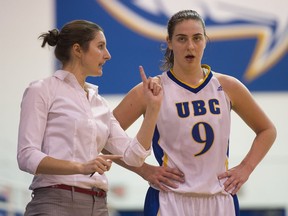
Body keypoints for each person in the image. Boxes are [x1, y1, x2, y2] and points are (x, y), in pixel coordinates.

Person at [112, 10, 277, 216]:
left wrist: (246, 168)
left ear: (205, 41)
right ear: (169, 42)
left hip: (219, 198)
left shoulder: (227, 86)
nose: (190, 46)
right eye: (182, 39)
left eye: (197, 38)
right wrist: (144, 170)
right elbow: (104, 138)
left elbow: (267, 130)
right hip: (170, 199)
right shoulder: (151, 89)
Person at [17, 20, 162, 216]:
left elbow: (134, 157)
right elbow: (27, 156)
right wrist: (80, 166)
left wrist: (152, 108)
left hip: (99, 205)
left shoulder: (99, 103)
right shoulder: (42, 90)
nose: (108, 55)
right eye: (100, 46)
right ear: (77, 50)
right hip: (54, 203)